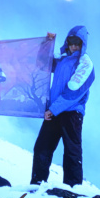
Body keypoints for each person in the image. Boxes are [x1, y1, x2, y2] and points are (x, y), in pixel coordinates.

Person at [30, 26, 95, 187]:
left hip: (72, 112)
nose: (74, 46)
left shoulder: (85, 63)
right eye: (71, 41)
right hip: (54, 111)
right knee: (42, 147)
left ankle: (73, 188)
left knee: (71, 150)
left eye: (78, 43)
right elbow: (42, 63)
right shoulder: (62, 59)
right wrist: (47, 43)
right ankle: (37, 184)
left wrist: (53, 109)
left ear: (83, 44)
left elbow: (73, 91)